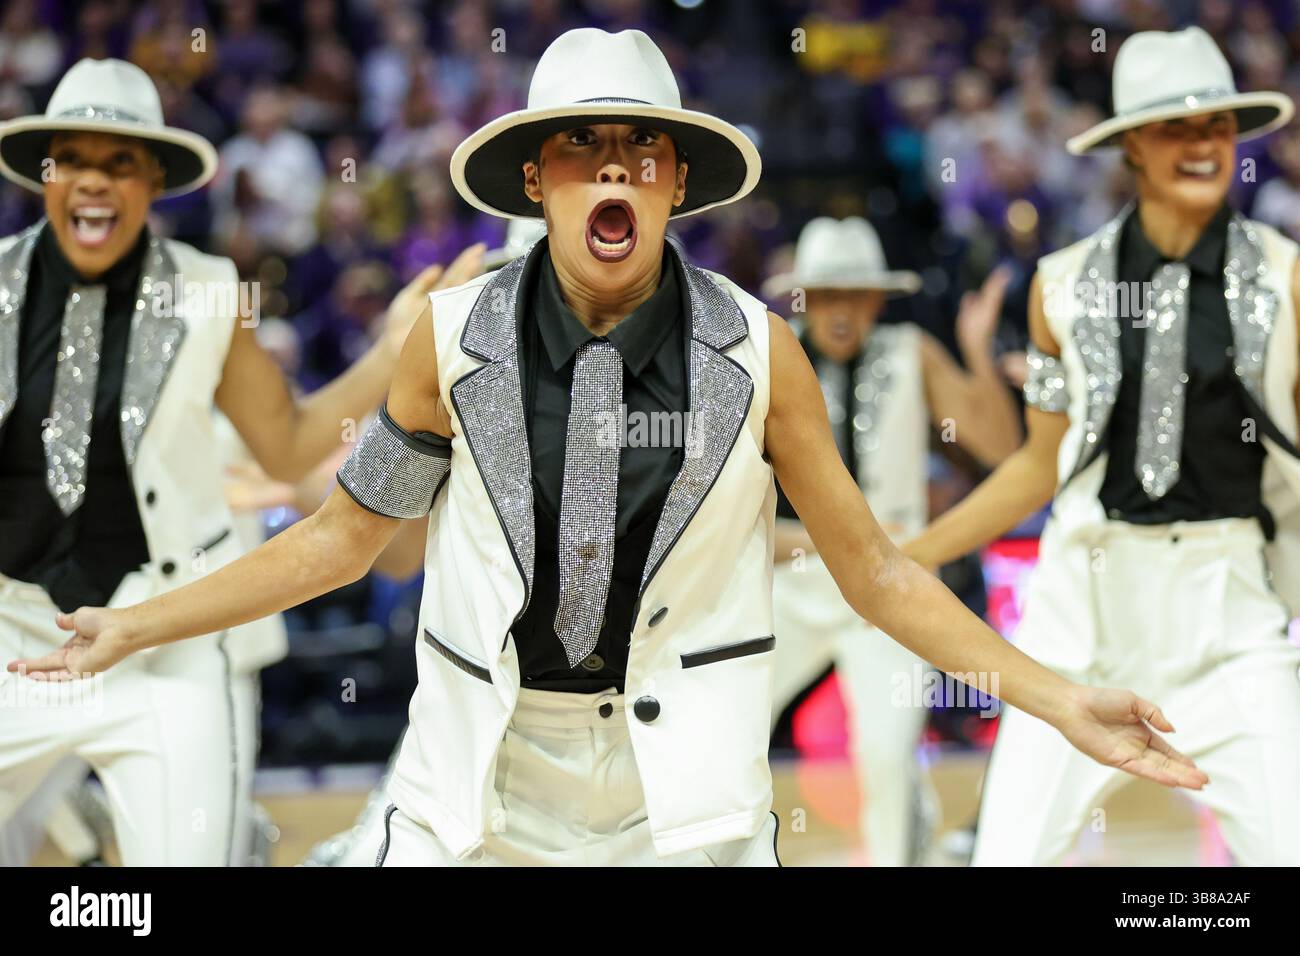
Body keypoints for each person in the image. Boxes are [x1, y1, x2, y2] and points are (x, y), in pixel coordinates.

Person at [12, 30, 1206, 868]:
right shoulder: (446, 341)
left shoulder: (758, 350)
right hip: (475, 785)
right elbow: (343, 535)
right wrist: (141, 624)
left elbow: (878, 572)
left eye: (641, 145)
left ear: (677, 177)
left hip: (679, 803)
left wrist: (1055, 699)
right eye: (582, 146)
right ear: (536, 179)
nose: (615, 166)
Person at [0, 58, 455, 865]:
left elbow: (289, 439)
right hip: (13, 637)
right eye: (73, 160)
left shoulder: (210, 292)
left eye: (120, 163)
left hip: (162, 644)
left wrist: (391, 350)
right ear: (47, 174)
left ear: (153, 180)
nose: (94, 182)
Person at [904, 27, 1300, 865]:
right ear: (1130, 147)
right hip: (1078, 620)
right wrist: (907, 557)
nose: (1203, 144)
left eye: (1218, 127)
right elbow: (1040, 460)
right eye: (1175, 128)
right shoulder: (1060, 284)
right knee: (1006, 857)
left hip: (1230, 612)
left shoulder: (1285, 277)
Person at [761, 215, 1021, 865]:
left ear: (878, 298)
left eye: (855, 294)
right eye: (826, 294)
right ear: (805, 298)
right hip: (796, 584)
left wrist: (976, 347)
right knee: (726, 722)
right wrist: (809, 545)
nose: (841, 310)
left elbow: (1001, 449)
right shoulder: (773, 356)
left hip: (892, 586)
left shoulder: (911, 352)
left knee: (884, 753)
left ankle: (903, 849)